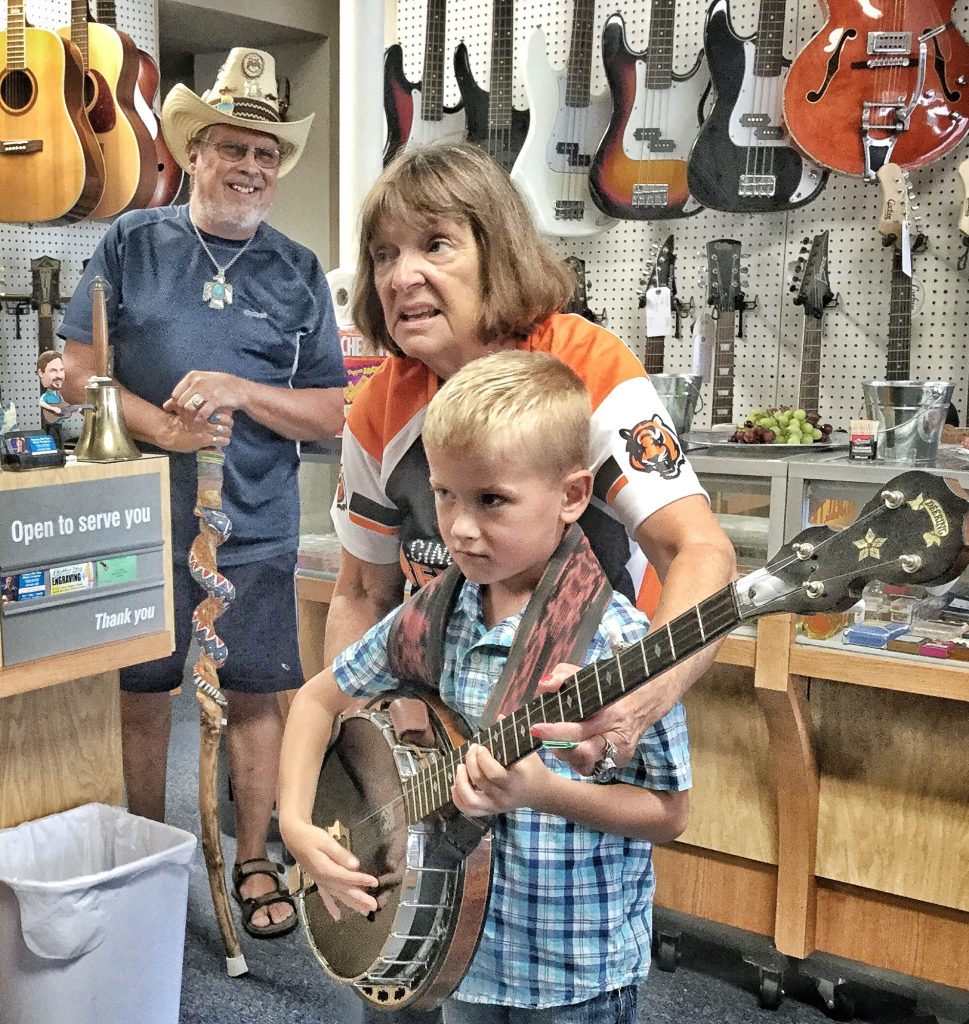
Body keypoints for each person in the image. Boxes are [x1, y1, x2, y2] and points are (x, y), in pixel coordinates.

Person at [279, 350, 692, 1023]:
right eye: (444, 495)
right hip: (461, 957)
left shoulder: (619, 642)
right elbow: (317, 699)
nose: (460, 527)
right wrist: (298, 829)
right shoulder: (439, 608)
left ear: (571, 496)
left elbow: (669, 815)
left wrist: (544, 793)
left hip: (571, 972)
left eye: (491, 500)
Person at [59, 48, 346, 939]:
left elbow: (334, 411)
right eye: (232, 149)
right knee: (145, 691)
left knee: (260, 695)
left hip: (253, 527)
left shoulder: (297, 269)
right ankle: (147, 849)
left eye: (266, 155)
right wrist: (168, 426)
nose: (250, 169)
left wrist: (241, 392)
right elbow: (75, 373)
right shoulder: (131, 244)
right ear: (194, 153)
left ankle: (254, 856)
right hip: (138, 520)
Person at [37, 352, 70, 448]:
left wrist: (74, 408)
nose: (59, 375)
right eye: (53, 370)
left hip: (59, 423)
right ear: (41, 373)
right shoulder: (46, 395)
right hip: (50, 423)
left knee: (60, 439)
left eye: (61, 370)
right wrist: (53, 409)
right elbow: (41, 403)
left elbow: (63, 404)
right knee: (51, 438)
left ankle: (61, 452)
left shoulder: (59, 396)